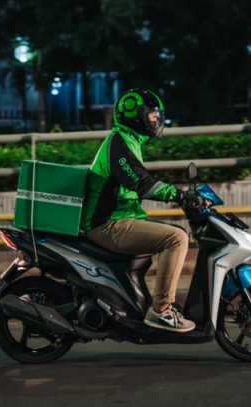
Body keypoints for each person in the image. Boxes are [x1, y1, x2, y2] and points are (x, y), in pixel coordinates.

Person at [80, 89, 195, 333]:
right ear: (136, 115)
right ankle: (161, 310)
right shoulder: (119, 142)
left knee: (170, 232)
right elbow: (141, 182)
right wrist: (179, 195)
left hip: (117, 219)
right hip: (107, 224)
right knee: (176, 238)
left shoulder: (127, 141)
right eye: (152, 115)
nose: (157, 120)